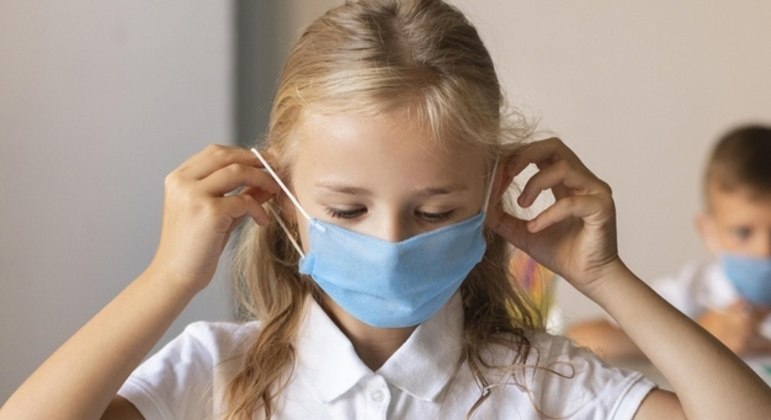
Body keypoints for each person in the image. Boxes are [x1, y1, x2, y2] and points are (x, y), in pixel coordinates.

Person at [2, 1, 769, 419]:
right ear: (279, 196)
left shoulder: (542, 380)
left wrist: (605, 278)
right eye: (346, 208)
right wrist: (167, 279)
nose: (391, 242)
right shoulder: (214, 374)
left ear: (491, 197)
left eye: (434, 212)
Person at [567, 125, 771, 361]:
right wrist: (700, 336)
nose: (763, 250)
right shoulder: (692, 292)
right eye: (743, 233)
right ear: (708, 232)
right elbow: (581, 338)